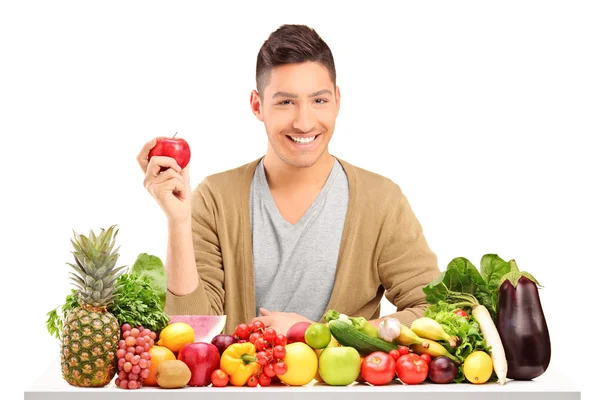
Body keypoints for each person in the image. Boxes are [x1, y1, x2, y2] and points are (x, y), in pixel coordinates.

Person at [137, 24, 441, 336]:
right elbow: (192, 332)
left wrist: (321, 333)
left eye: (319, 101)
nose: (304, 121)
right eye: (285, 102)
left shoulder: (381, 201)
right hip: (242, 384)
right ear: (258, 106)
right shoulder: (216, 198)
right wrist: (178, 221)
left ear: (337, 101)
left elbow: (434, 311)